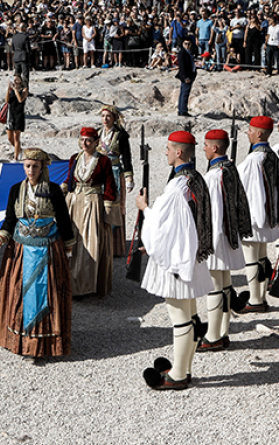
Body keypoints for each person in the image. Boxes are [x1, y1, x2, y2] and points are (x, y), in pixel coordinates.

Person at [138, 130, 213, 390]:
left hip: (178, 258)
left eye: (169, 148)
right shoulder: (196, 178)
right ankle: (185, 367)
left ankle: (178, 375)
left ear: (179, 152)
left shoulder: (177, 185)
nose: (166, 152)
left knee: (180, 315)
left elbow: (163, 225)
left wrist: (144, 208)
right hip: (192, 255)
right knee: (190, 314)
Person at [0, 148, 76, 358]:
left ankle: (46, 344)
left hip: (48, 248)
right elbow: (10, 219)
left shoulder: (53, 190)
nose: (31, 170)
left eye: (35, 166)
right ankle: (21, 340)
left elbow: (63, 219)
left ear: (43, 167)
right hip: (21, 249)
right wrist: (1, 237)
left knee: (47, 292)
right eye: (27, 166)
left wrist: (68, 246)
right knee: (20, 291)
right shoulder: (16, 189)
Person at [199, 129, 251, 351]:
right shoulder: (230, 168)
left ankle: (213, 336)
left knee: (215, 286)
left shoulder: (213, 176)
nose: (203, 149)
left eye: (205, 145)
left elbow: (213, 212)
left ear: (215, 148)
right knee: (225, 283)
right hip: (229, 234)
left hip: (218, 237)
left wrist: (206, 240)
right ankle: (224, 332)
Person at [235, 116, 279, 313]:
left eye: (250, 130)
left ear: (259, 133)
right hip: (268, 214)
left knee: (251, 259)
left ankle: (255, 300)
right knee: (262, 257)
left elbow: (246, 187)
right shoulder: (272, 155)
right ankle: (261, 297)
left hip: (254, 217)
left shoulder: (254, 159)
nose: (247, 133)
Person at [64, 126, 117, 298]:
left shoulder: (103, 161)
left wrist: (107, 214)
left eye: (88, 140)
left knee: (89, 242)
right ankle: (70, 283)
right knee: (71, 240)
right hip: (74, 202)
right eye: (82, 140)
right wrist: (61, 190)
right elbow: (69, 179)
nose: (84, 143)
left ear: (96, 142)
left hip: (93, 202)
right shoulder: (74, 158)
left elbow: (110, 188)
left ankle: (86, 285)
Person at [96, 105, 134, 257]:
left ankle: (114, 246)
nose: (105, 119)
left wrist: (129, 175)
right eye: (103, 116)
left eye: (108, 116)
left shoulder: (121, 135)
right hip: (101, 173)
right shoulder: (99, 133)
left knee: (115, 206)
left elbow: (126, 156)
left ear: (114, 118)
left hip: (115, 172)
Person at [5, 75, 29, 160]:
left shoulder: (24, 90)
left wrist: (15, 90)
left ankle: (16, 157)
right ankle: (19, 150)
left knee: (16, 137)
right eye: (13, 79)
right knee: (10, 137)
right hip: (11, 114)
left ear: (20, 81)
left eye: (16, 79)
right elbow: (7, 100)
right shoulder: (11, 90)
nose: (14, 81)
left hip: (19, 114)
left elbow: (20, 100)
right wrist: (8, 89)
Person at [175, 36, 196, 117]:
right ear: (183, 44)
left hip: (190, 75)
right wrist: (186, 77)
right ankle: (183, 110)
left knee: (183, 93)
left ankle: (181, 110)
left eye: (189, 43)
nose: (187, 45)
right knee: (184, 93)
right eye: (185, 43)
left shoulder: (188, 52)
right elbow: (182, 66)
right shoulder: (182, 52)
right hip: (186, 76)